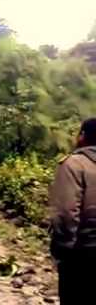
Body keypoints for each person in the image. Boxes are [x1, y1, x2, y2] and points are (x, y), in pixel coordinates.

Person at [49, 118, 96, 304]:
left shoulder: (74, 165)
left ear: (82, 136)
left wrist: (63, 250)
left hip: (83, 254)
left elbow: (66, 213)